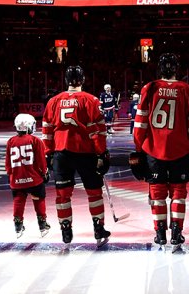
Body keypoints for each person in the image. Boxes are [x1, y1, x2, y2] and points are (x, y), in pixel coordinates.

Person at [131, 53, 189, 250]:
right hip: (180, 150)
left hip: (154, 150)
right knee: (179, 193)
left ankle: (160, 232)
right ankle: (177, 232)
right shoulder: (186, 89)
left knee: (157, 193)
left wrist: (139, 148)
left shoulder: (150, 88)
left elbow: (139, 123)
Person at [42, 65, 111, 247]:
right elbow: (98, 130)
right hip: (85, 153)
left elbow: (47, 131)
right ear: (82, 80)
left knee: (63, 195)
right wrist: (101, 153)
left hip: (61, 153)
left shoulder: (53, 101)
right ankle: (98, 227)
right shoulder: (90, 100)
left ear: (66, 80)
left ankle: (66, 229)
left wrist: (48, 153)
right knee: (94, 192)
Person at [6, 113, 51, 239]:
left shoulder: (10, 141)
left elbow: (8, 163)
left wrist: (11, 175)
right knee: (39, 199)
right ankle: (42, 225)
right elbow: (41, 161)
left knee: (18, 201)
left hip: (17, 179)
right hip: (34, 179)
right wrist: (45, 173)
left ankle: (18, 226)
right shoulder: (36, 140)